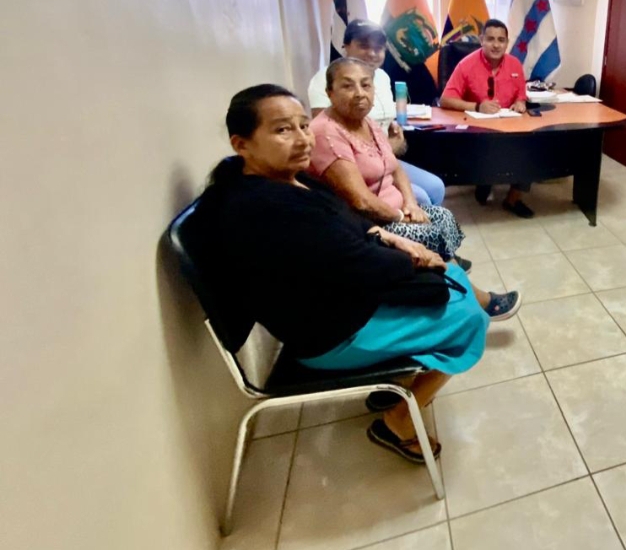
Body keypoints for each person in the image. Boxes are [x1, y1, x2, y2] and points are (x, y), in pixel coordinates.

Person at [188, 84, 488, 464]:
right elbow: (358, 264)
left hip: (335, 304)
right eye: (282, 130)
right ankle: (397, 420)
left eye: (303, 125)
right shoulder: (265, 208)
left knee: (453, 279)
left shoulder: (286, 180)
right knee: (471, 318)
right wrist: (414, 259)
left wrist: (396, 241)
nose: (302, 139)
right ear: (242, 144)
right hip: (329, 336)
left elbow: (350, 222)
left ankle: (395, 384)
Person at [310, 58, 521, 320]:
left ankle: (448, 266)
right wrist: (402, 216)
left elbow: (395, 165)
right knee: (429, 232)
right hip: (366, 225)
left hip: (393, 209)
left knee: (442, 216)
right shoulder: (325, 133)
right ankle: (480, 300)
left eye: (366, 85)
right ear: (330, 92)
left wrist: (410, 203)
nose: (359, 93)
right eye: (347, 86)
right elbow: (360, 201)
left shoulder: (366, 122)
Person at [307, 20, 446, 208]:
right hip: (357, 164)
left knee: (436, 187)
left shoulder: (382, 76)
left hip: (386, 156)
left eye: (378, 48)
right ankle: (409, 223)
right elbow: (326, 137)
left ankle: (423, 223)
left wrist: (394, 135)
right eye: (364, 46)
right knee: (421, 198)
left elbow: (386, 120)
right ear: (346, 46)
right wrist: (387, 148)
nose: (372, 53)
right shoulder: (325, 79)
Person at [440, 18, 533, 218]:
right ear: (481, 40)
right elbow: (445, 100)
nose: (496, 45)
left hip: (509, 128)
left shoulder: (515, 64)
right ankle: (485, 180)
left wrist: (520, 102)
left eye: (501, 40)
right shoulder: (466, 65)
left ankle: (513, 198)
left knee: (530, 144)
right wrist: (477, 106)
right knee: (488, 151)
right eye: (490, 39)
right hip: (476, 130)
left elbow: (521, 94)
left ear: (507, 43)